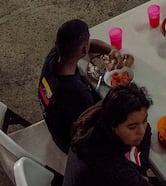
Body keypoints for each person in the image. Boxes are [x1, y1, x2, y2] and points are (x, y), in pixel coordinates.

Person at [37, 18, 113, 152]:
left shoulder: (54, 57)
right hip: (73, 146)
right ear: (84, 49)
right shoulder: (76, 94)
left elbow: (88, 46)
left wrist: (111, 51)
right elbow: (97, 127)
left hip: (56, 128)